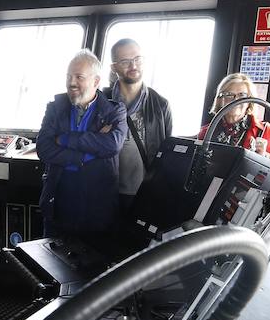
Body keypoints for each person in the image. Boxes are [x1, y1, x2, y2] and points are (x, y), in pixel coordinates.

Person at [36, 50, 128, 236]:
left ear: (95, 81)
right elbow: (44, 148)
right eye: (69, 76)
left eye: (79, 77)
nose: (71, 83)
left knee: (93, 263)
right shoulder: (55, 107)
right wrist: (86, 155)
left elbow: (111, 145)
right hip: (58, 203)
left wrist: (63, 139)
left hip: (97, 209)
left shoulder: (114, 112)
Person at [103, 38, 172, 208]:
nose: (133, 66)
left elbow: (167, 152)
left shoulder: (160, 105)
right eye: (125, 61)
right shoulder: (101, 102)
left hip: (144, 193)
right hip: (104, 191)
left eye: (138, 59)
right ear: (114, 67)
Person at [198, 72, 270, 156]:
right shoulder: (204, 132)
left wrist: (265, 158)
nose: (236, 100)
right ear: (219, 100)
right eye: (229, 94)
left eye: (242, 95)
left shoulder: (266, 131)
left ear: (250, 101)